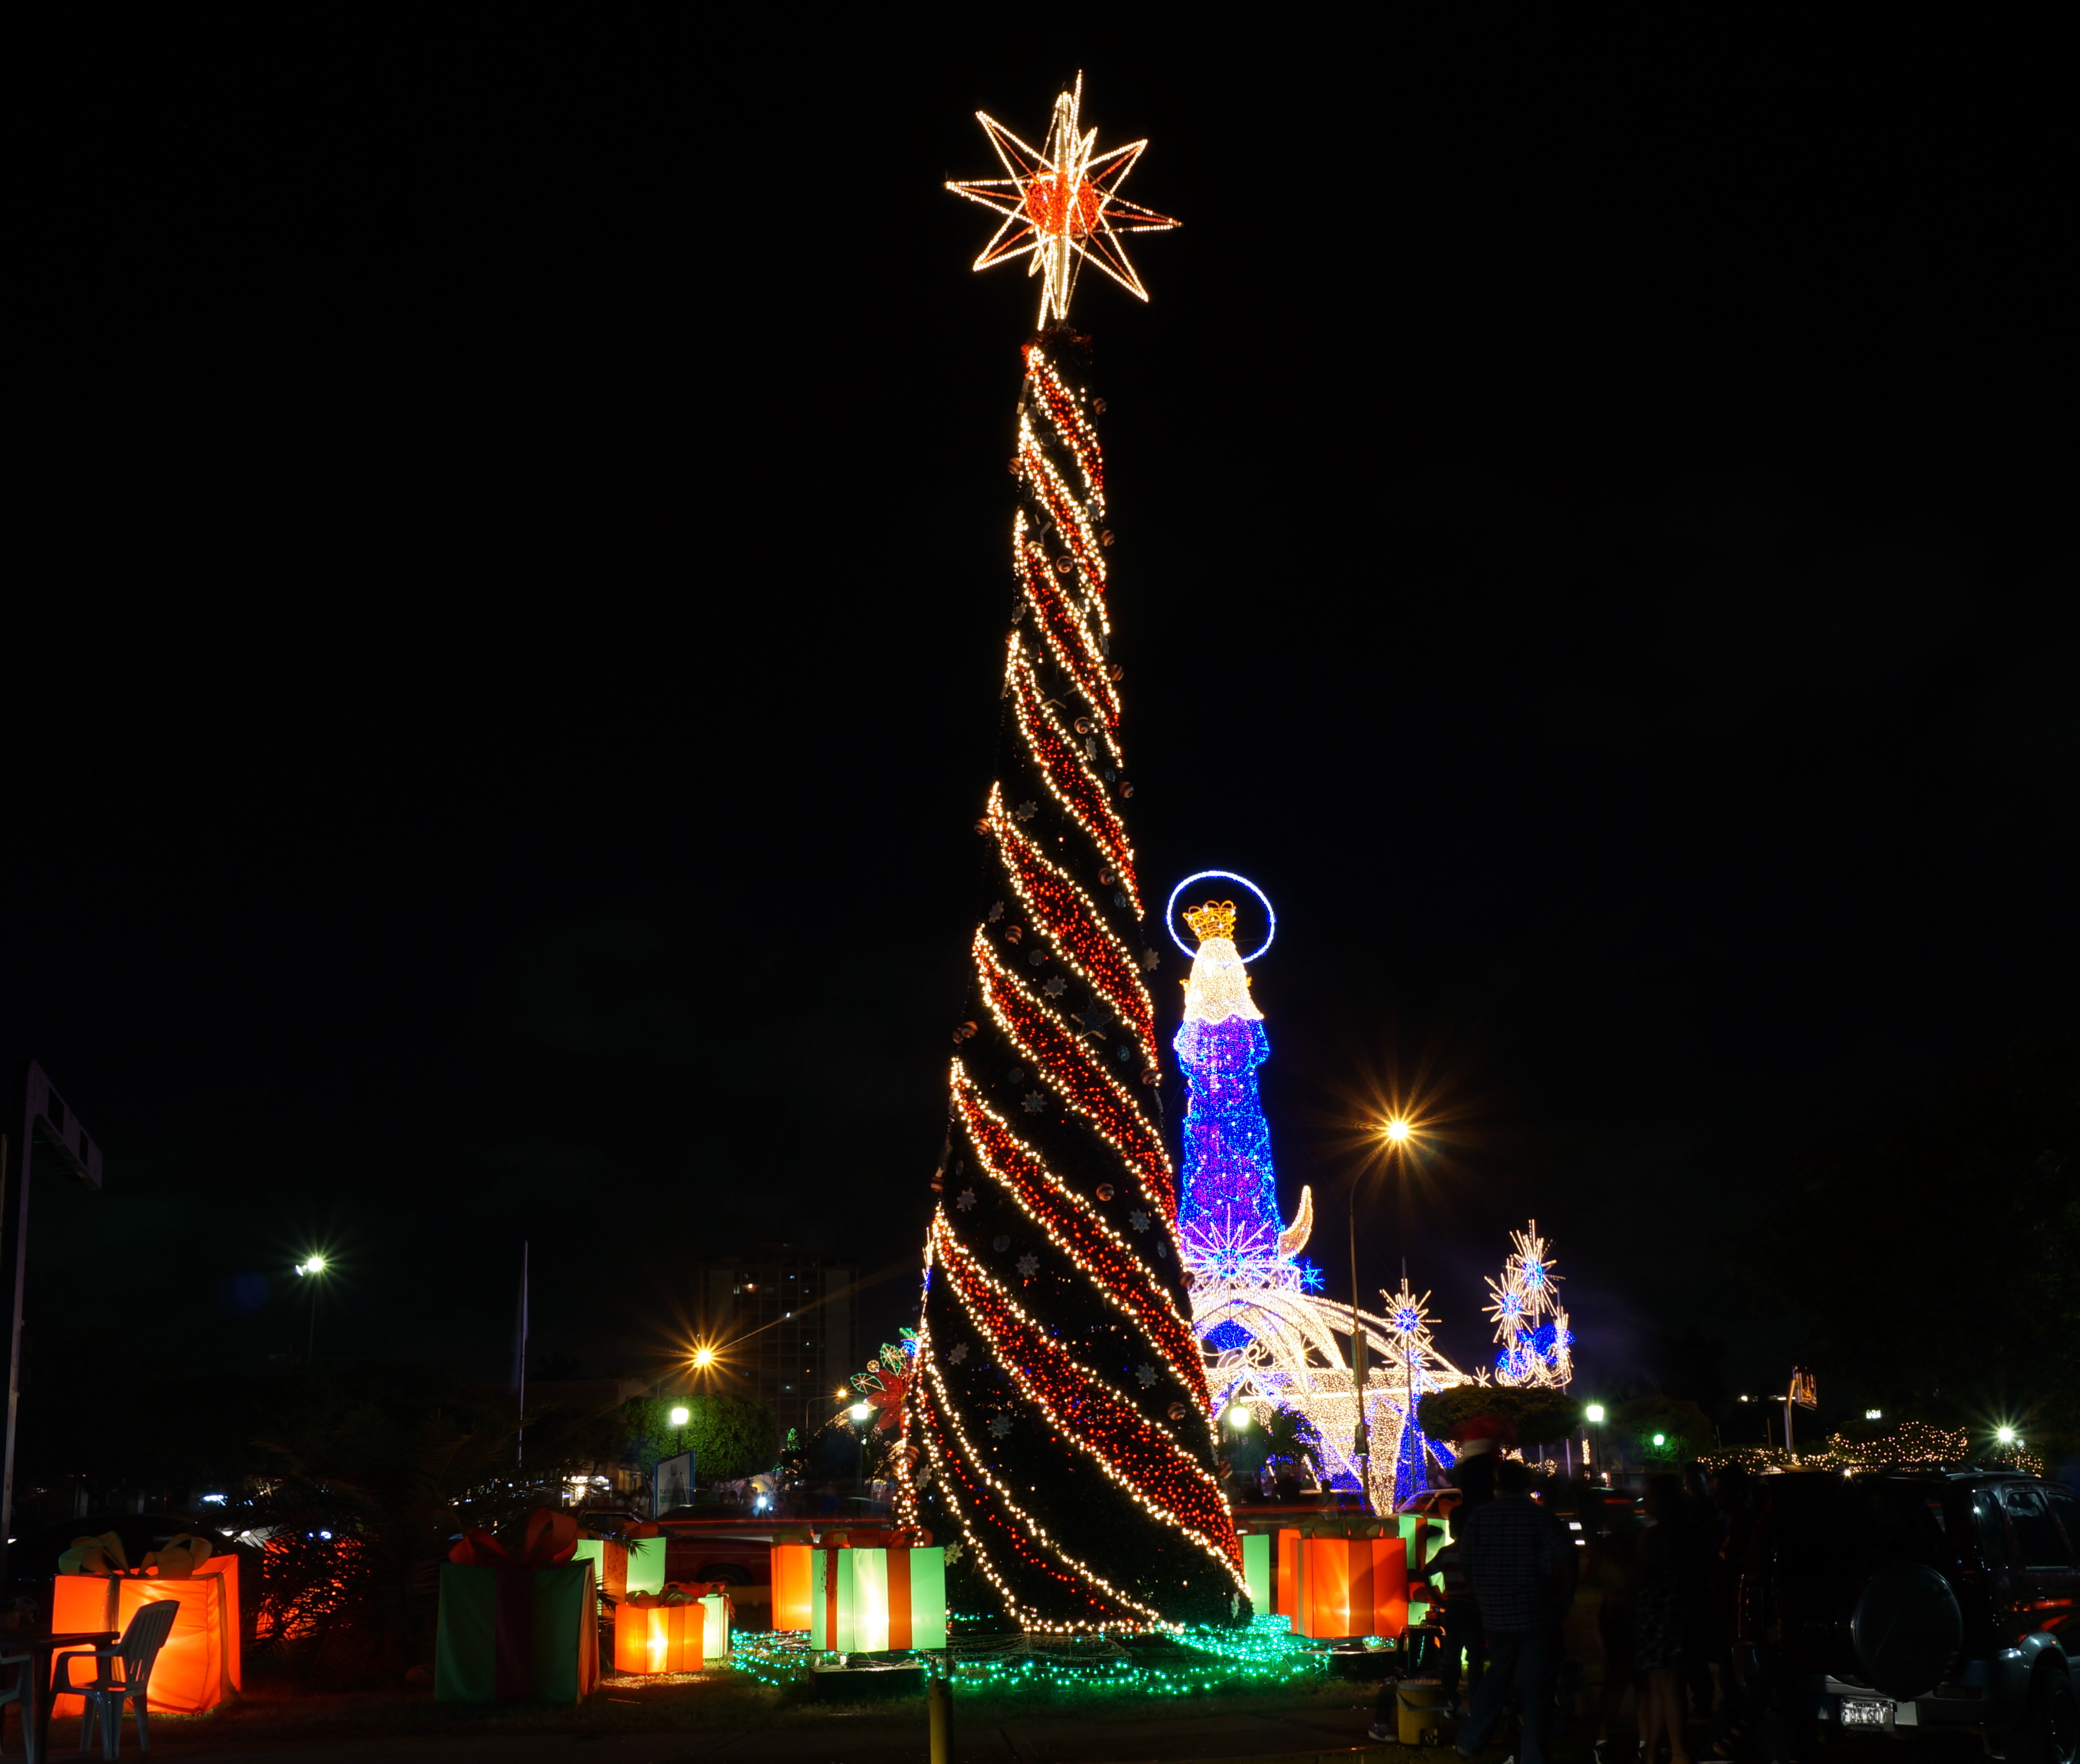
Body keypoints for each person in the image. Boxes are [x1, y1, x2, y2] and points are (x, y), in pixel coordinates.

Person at [1451, 1457, 1575, 1764]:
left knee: (1498, 1674)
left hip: (1495, 1612)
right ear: (1526, 1485)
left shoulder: (1480, 1518)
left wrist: (1482, 1594)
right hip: (1536, 1610)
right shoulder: (1539, 1517)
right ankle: (1532, 1753)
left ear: (1498, 1485)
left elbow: (1465, 1563)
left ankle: (1472, 1739)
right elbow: (1568, 1557)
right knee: (1537, 1686)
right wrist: (1566, 1598)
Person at [1634, 1474, 1700, 1764]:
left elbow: (1642, 1574)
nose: (1645, 1501)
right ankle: (1657, 1750)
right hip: (1673, 1611)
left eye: (1649, 1495)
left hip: (1661, 1613)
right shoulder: (1688, 1531)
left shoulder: (1658, 1536)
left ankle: (1676, 1751)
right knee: (1663, 1681)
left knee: (1666, 1682)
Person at [1579, 1484, 1639, 1764]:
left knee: (1614, 1679)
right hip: (1638, 1611)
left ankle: (1603, 1739)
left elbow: (1590, 1576)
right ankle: (1647, 1740)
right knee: (1645, 1680)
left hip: (1613, 1610)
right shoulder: (1642, 1539)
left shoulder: (1607, 1545)